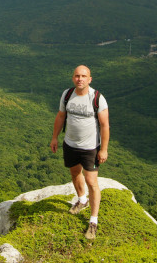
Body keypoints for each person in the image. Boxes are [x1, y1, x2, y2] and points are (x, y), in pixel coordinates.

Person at [50, 65, 110, 240]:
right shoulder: (67, 95)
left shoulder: (97, 98)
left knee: (91, 180)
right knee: (74, 172)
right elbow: (61, 116)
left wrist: (104, 149)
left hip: (90, 147)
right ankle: (82, 200)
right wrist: (54, 137)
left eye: (84, 76)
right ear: (73, 78)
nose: (80, 79)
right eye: (77, 76)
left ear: (90, 79)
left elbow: (105, 125)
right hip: (70, 143)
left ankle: (93, 221)